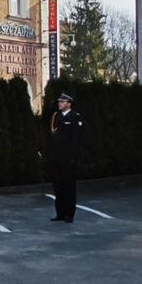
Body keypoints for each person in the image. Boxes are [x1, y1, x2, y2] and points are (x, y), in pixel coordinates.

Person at [46, 93, 85, 222]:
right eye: (59, 102)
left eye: (62, 102)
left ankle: (69, 214)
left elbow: (76, 139)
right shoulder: (56, 117)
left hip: (68, 158)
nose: (60, 104)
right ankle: (60, 213)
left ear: (69, 103)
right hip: (56, 157)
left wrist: (73, 157)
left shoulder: (75, 117)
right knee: (58, 187)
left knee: (69, 187)